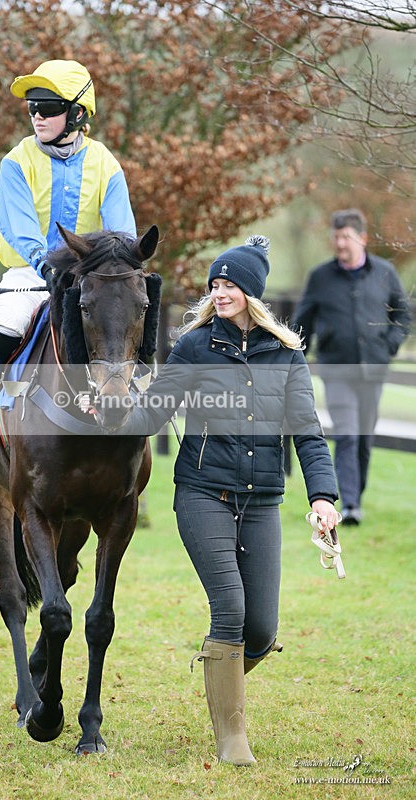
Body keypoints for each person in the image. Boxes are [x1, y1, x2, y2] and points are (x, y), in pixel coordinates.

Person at [96, 236, 339, 765]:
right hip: (203, 493)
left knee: (262, 627)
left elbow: (308, 432)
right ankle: (233, 740)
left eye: (231, 284)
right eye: (216, 284)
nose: (221, 292)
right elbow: (153, 414)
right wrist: (112, 415)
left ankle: (218, 672)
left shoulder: (287, 354)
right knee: (230, 610)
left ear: (252, 291)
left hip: (264, 501)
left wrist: (323, 497)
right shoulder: (194, 346)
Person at [0, 59, 136, 442]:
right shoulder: (16, 162)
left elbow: (122, 230)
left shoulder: (105, 163)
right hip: (30, 271)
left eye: (49, 108)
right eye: (32, 108)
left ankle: (134, 395)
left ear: (76, 113)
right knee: (5, 325)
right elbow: (18, 225)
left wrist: (119, 262)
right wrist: (44, 264)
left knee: (121, 324)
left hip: (90, 277)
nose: (37, 116)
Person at [292, 209, 411, 525]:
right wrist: (292, 355)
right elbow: (302, 322)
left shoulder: (384, 272)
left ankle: (355, 495)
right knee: (346, 433)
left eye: (346, 237)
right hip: (337, 369)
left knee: (363, 438)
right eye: (336, 237)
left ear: (362, 238)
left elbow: (403, 316)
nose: (340, 243)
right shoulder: (321, 277)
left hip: (373, 369)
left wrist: (387, 345)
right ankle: (351, 506)